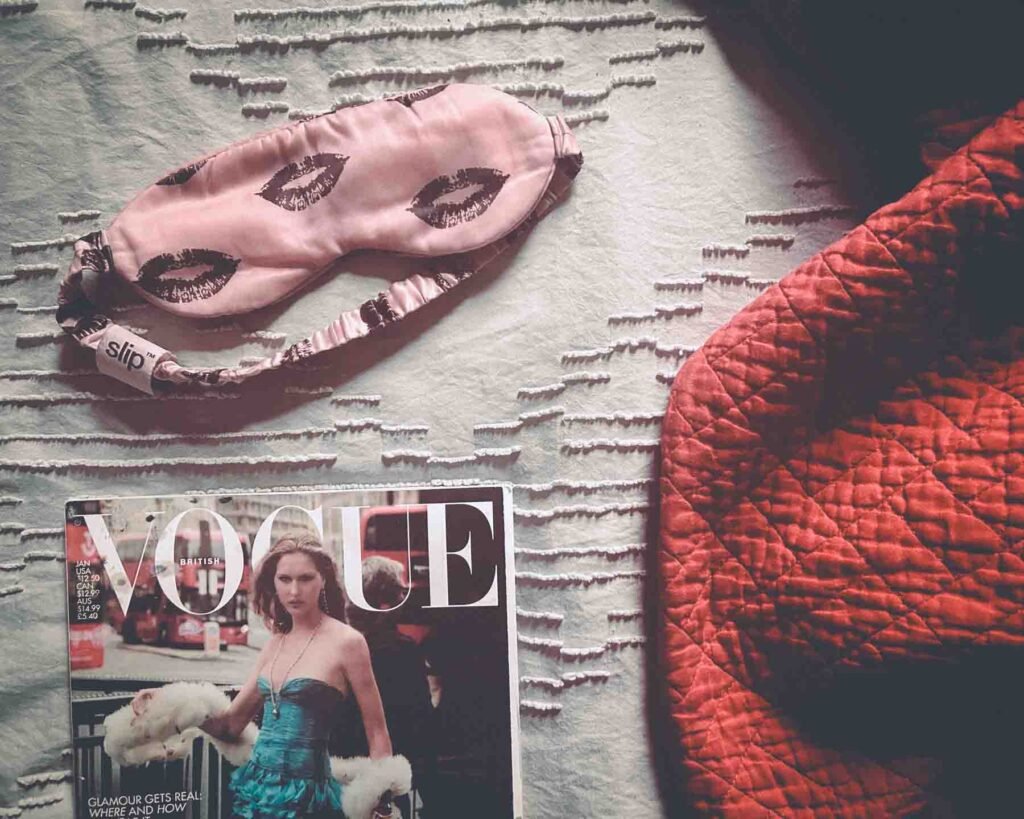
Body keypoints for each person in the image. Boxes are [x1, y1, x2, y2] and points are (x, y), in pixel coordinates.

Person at [131, 533, 394, 819]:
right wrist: (166, 702)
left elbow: (377, 730)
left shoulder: (348, 642)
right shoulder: (276, 642)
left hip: (309, 799)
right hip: (255, 790)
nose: (294, 591)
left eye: (305, 578)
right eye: (284, 579)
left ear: (324, 581)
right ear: (273, 584)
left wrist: (381, 801)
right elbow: (230, 725)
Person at [335, 557, 436, 819]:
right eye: (401, 591)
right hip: (392, 773)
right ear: (386, 601)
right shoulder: (402, 651)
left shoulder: (341, 648)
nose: (406, 595)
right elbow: (421, 721)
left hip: (347, 773)